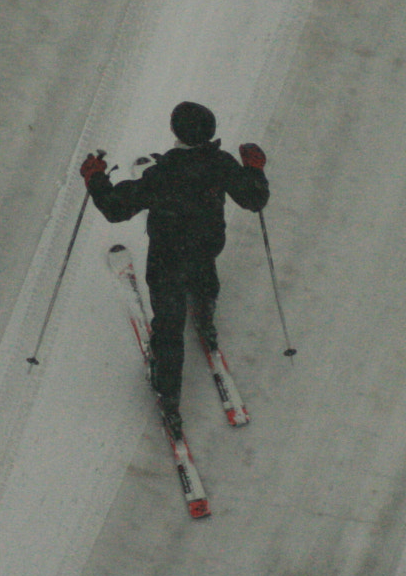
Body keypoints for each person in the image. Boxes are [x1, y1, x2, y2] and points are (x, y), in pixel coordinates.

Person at [81, 101, 268, 435]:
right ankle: (205, 313)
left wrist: (95, 178)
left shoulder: (163, 174)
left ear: (176, 132)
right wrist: (253, 168)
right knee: (203, 273)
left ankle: (169, 395)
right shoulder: (220, 163)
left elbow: (115, 208)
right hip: (207, 244)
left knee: (169, 326)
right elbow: (254, 199)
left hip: (168, 256)